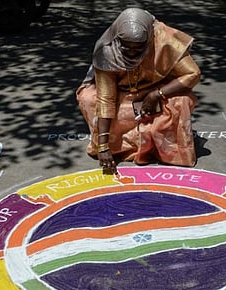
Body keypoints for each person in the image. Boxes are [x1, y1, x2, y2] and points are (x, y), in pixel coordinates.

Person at [76, 8, 201, 172]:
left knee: (182, 100)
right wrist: (103, 146)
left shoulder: (166, 39)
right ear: (117, 40)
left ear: (150, 38)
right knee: (88, 98)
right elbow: (106, 98)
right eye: (126, 48)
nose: (132, 53)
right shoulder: (106, 49)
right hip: (119, 93)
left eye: (139, 48)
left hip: (156, 90)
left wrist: (157, 94)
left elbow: (193, 74)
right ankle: (118, 147)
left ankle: (160, 149)